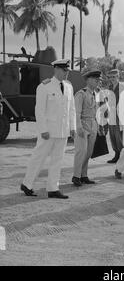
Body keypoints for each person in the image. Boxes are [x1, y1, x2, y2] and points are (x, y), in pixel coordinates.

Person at [21, 59, 76, 199]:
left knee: (57, 160)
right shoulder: (44, 86)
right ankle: (27, 184)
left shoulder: (69, 87)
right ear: (56, 69)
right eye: (64, 70)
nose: (66, 73)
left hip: (63, 130)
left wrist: (73, 127)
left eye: (67, 71)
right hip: (48, 131)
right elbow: (39, 110)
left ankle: (53, 188)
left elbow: (72, 110)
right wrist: (43, 129)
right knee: (39, 158)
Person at [72, 66, 101, 187]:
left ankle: (84, 175)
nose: (97, 81)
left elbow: (95, 111)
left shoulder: (95, 94)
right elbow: (76, 112)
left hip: (92, 124)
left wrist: (97, 125)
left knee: (88, 152)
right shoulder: (81, 94)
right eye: (95, 79)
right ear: (88, 80)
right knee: (81, 151)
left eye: (98, 80)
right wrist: (78, 126)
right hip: (83, 125)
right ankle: (76, 176)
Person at [107, 68, 123, 163]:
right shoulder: (110, 87)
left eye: (114, 77)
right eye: (111, 77)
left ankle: (121, 155)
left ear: (118, 77)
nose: (112, 79)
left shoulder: (122, 87)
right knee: (112, 134)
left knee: (119, 135)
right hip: (111, 114)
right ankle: (116, 154)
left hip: (119, 114)